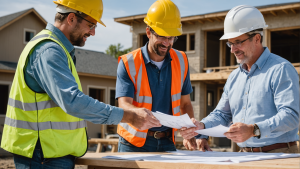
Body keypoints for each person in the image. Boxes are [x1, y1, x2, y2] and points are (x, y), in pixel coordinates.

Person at [1, 0, 161, 168]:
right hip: (42, 155)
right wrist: (128, 116)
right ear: (71, 18)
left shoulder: (58, 50)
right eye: (91, 25)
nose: (92, 33)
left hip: (49, 153)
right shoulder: (49, 51)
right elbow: (73, 102)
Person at [180, 5, 299, 153]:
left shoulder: (281, 69)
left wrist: (253, 130)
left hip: (279, 154)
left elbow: (291, 116)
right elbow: (222, 114)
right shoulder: (234, 77)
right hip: (243, 155)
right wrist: (202, 127)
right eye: (230, 43)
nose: (233, 49)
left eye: (238, 42)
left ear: (257, 38)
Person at [116, 0, 196, 152]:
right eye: (162, 36)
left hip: (167, 141)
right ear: (148, 32)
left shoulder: (181, 60)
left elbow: (185, 104)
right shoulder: (129, 63)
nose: (166, 43)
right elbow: (124, 105)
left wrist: (189, 131)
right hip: (133, 143)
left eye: (171, 37)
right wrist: (140, 115)